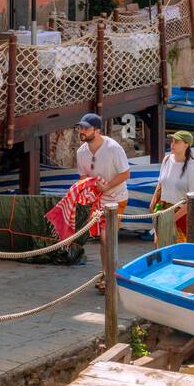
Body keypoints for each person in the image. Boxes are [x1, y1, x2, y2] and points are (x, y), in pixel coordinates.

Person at [74, 113, 131, 291]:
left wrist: (107, 187)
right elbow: (83, 177)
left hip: (116, 198)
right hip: (98, 199)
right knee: (103, 239)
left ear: (97, 131)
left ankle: (111, 278)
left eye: (85, 128)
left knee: (107, 237)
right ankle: (107, 274)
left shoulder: (113, 148)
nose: (81, 131)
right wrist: (87, 190)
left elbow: (125, 173)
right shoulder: (81, 152)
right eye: (80, 128)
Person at [149, 131, 194, 242]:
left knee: (181, 249)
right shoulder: (167, 159)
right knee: (160, 246)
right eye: (172, 141)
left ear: (186, 145)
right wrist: (152, 203)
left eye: (177, 142)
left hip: (184, 214)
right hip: (164, 209)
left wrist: (172, 219)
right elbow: (160, 184)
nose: (172, 144)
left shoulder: (192, 167)